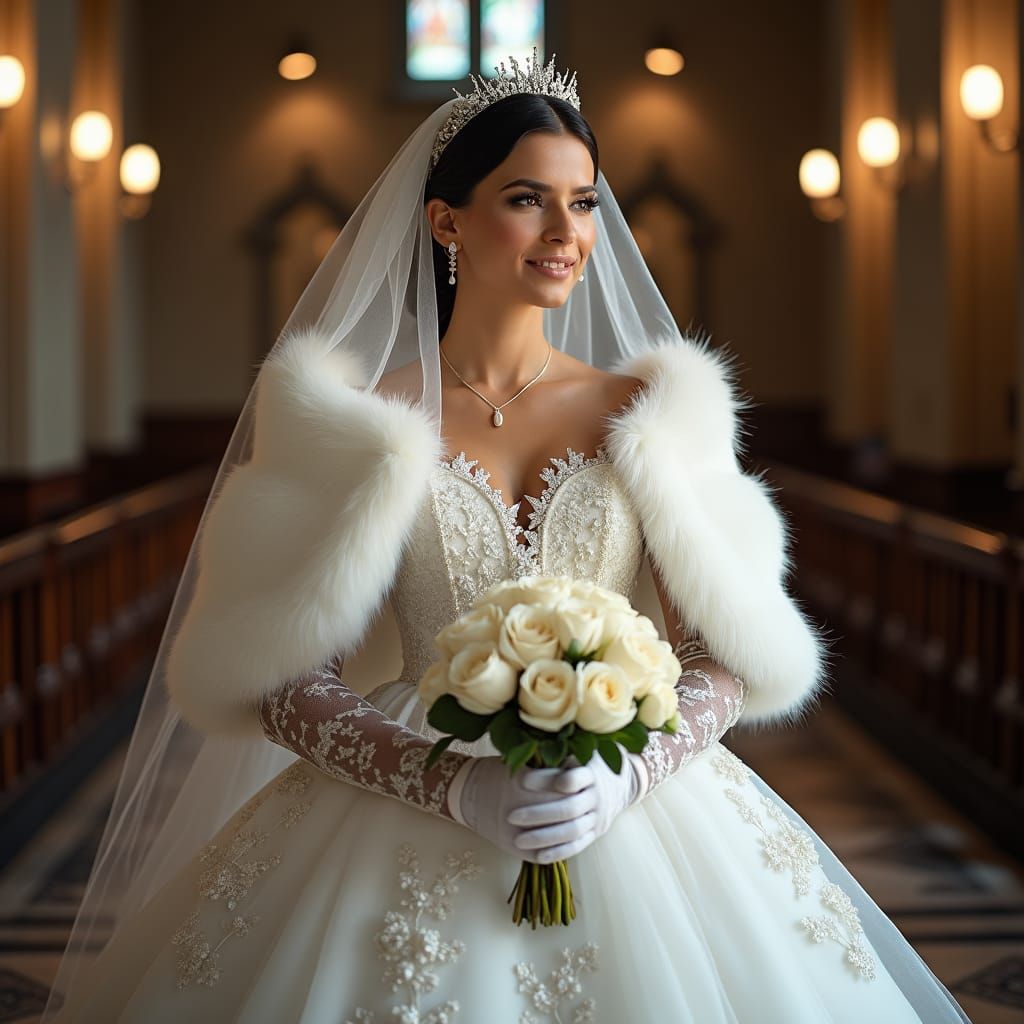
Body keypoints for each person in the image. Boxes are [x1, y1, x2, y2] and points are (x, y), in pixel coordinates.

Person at [43, 50, 972, 1023]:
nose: (566, 233)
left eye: (585, 202)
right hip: (408, 799)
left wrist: (629, 774)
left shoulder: (653, 411)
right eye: (527, 199)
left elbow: (717, 653)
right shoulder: (353, 420)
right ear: (446, 220)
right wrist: (454, 787)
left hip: (625, 801)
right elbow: (279, 678)